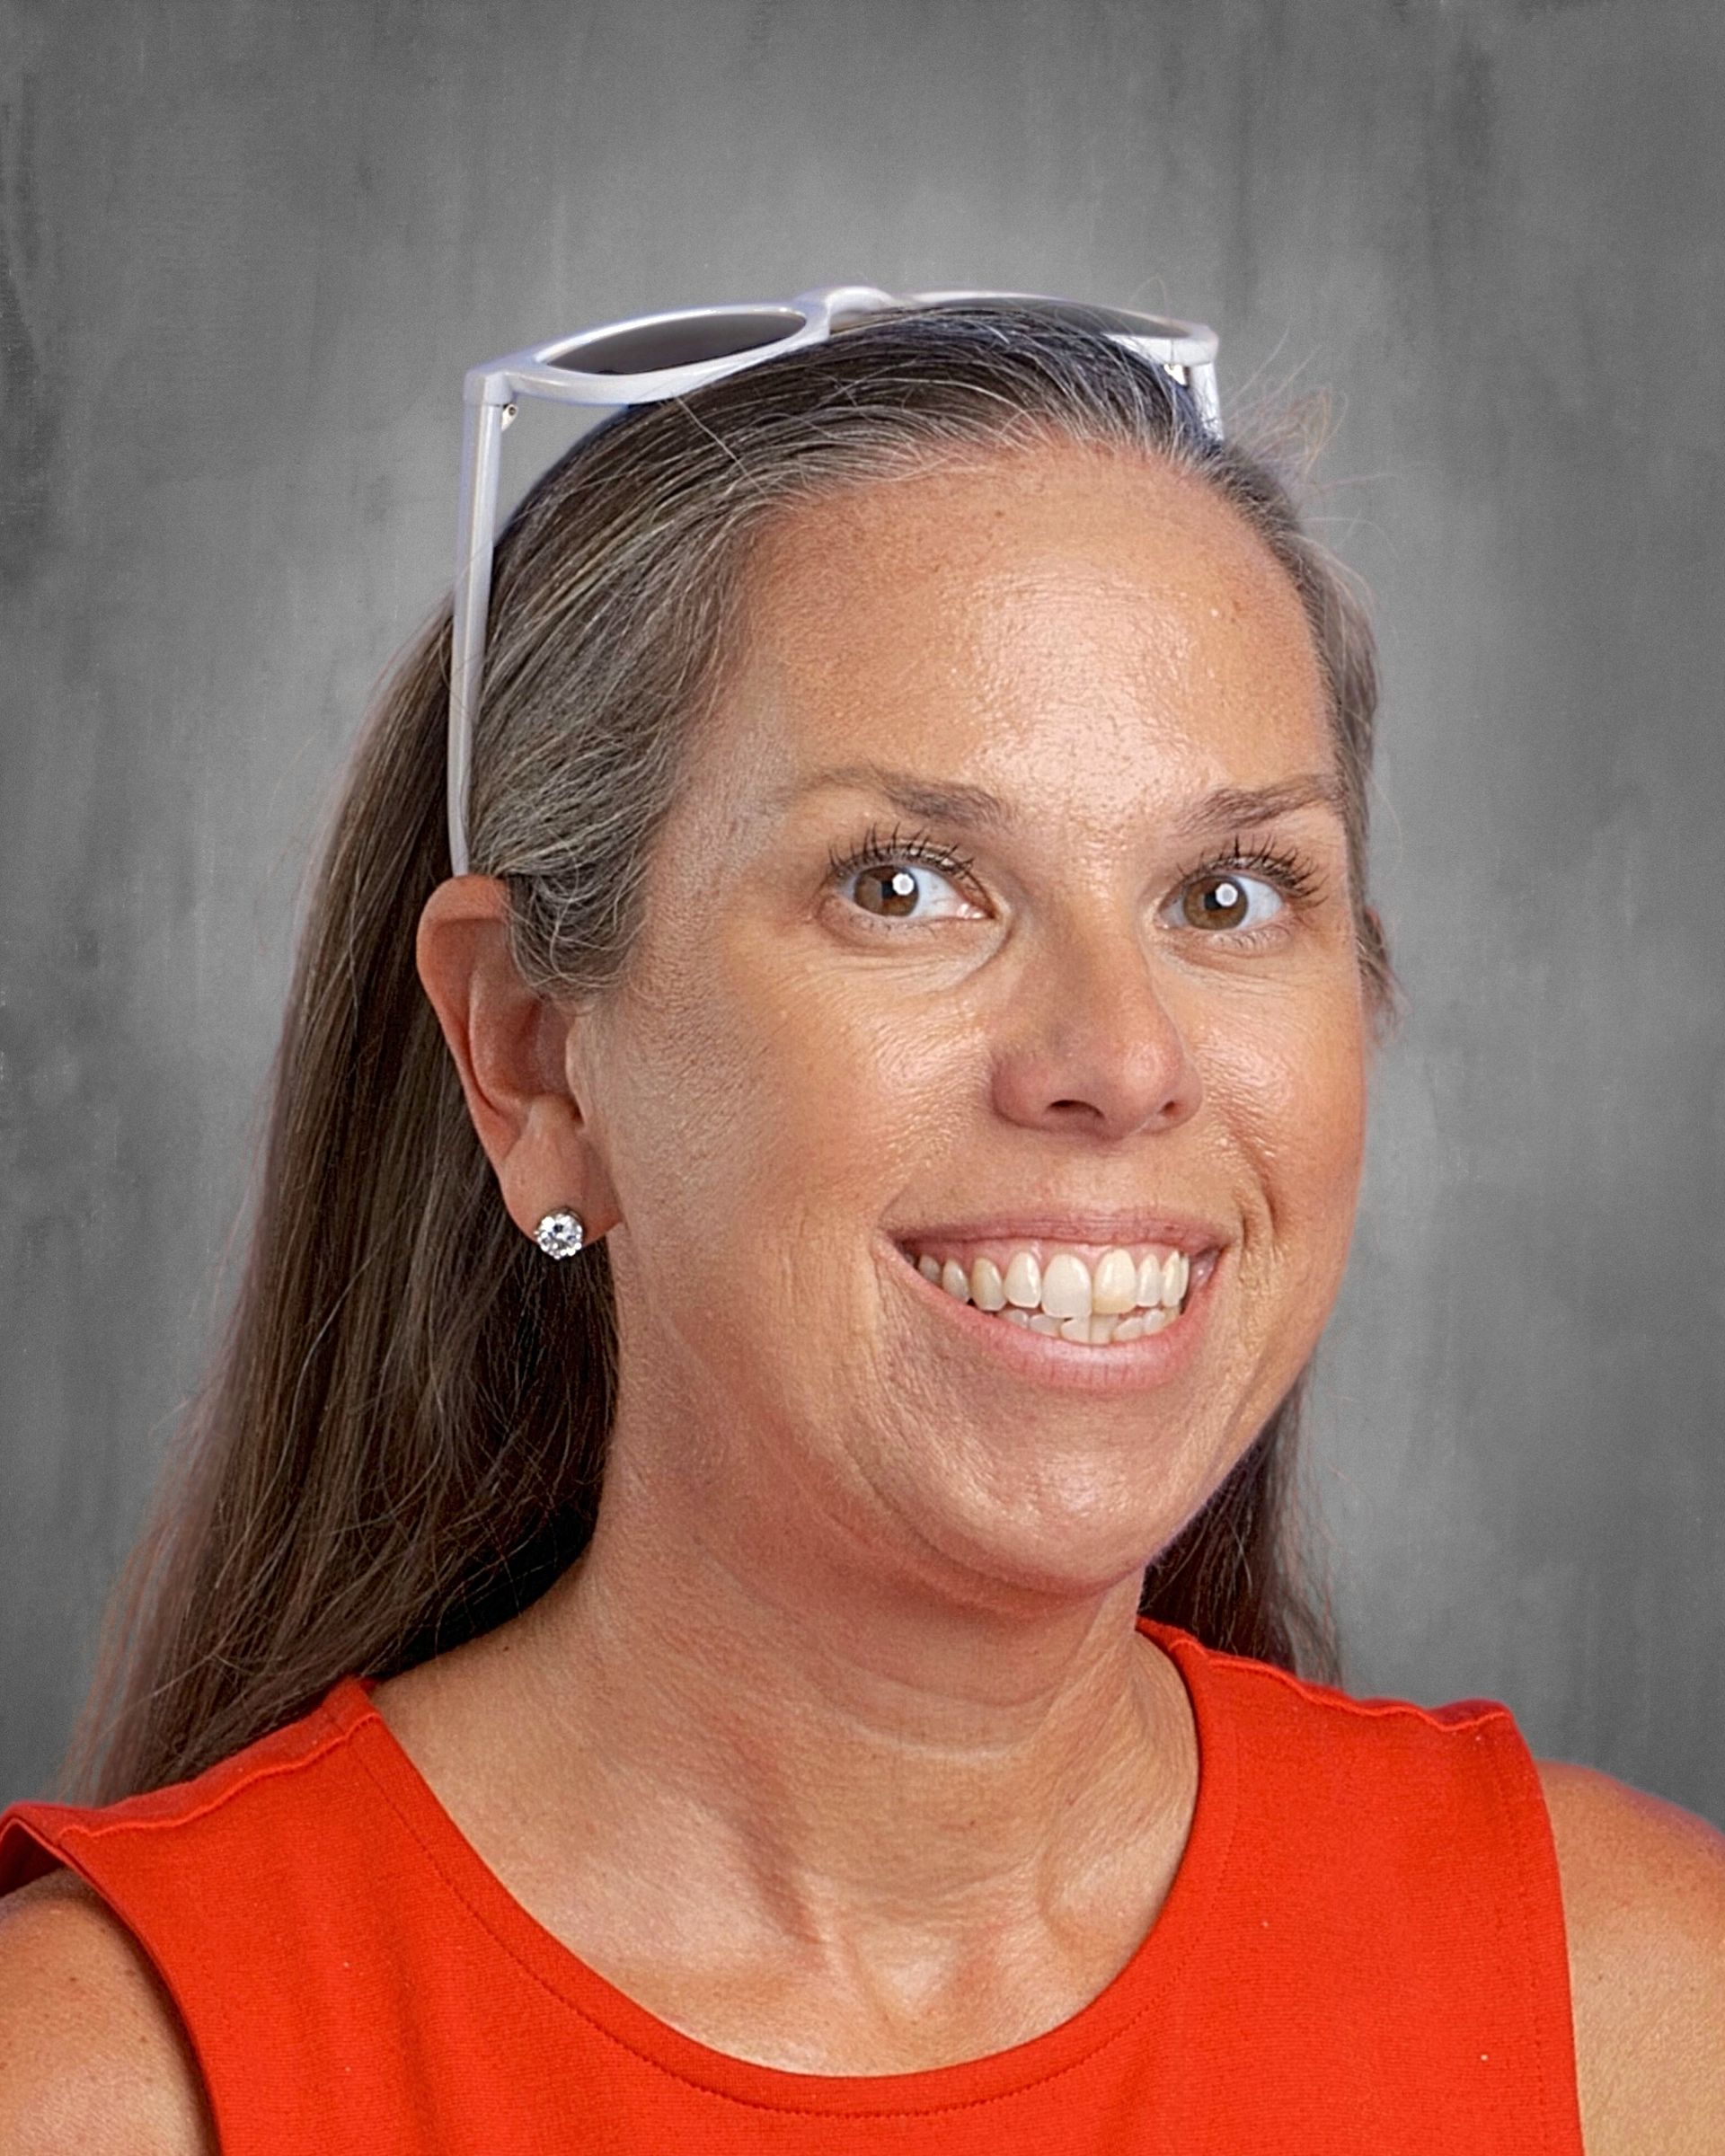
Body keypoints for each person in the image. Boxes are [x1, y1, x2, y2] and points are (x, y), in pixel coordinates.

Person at [0, 294, 1720, 2153]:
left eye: (1228, 893)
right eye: (906, 885)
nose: (1122, 1062)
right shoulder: (99, 2090)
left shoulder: (1640, 2022)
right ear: (534, 1059)